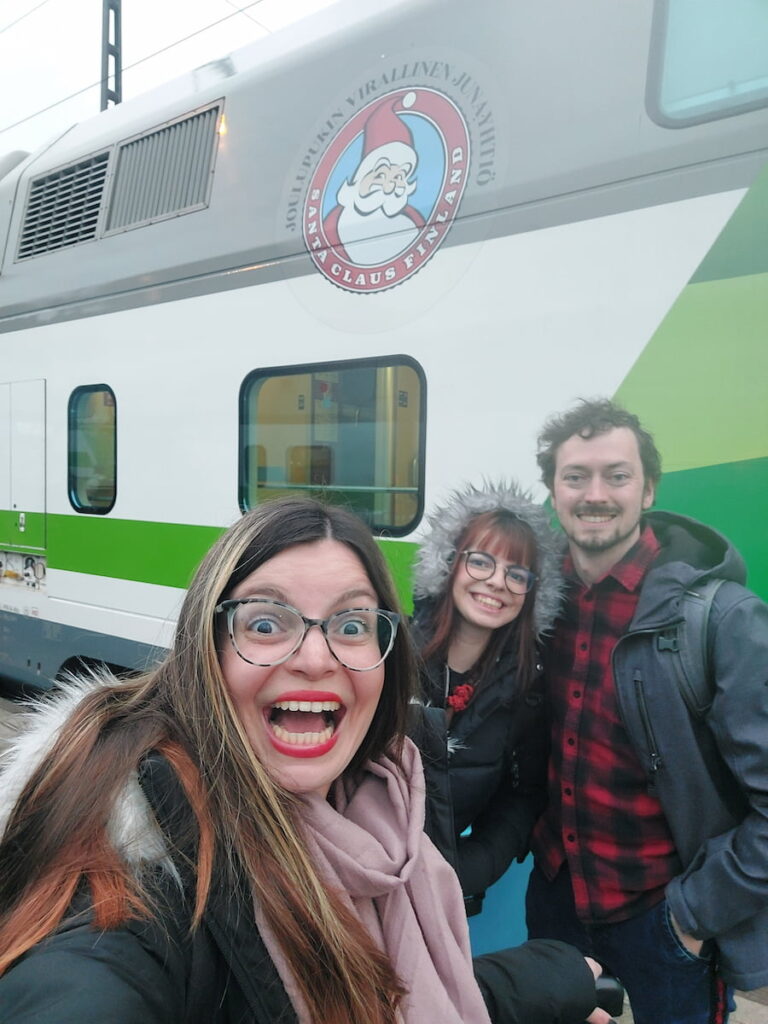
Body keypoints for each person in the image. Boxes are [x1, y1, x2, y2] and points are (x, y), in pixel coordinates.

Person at [0, 496, 608, 1024]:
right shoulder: (139, 888)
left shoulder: (387, 784)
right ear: (204, 648)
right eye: (265, 623)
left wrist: (521, 981)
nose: (316, 659)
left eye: (352, 625)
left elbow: (387, 986)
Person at [525, 399, 768, 1024]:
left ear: (649, 488)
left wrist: (694, 913)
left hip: (662, 918)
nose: (595, 494)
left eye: (617, 475)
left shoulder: (722, 618)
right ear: (553, 490)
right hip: (555, 902)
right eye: (575, 476)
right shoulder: (533, 603)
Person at [410, 480, 563, 914]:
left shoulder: (527, 687)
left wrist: (469, 869)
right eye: (480, 562)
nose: (497, 582)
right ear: (449, 564)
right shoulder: (389, 655)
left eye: (517, 574)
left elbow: (523, 796)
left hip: (438, 902)